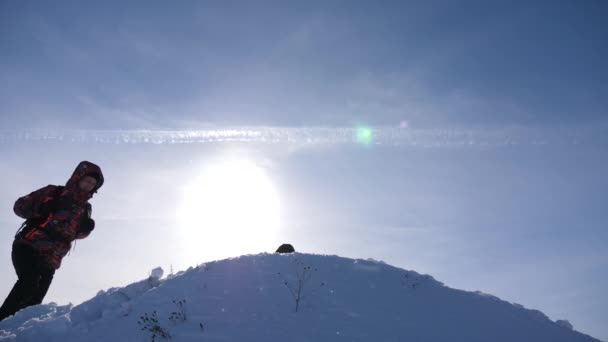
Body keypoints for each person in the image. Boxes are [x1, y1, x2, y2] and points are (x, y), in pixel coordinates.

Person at [0, 161, 104, 321]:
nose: (89, 185)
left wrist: (86, 230)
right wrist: (39, 210)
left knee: (34, 303)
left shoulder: (85, 209)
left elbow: (74, 234)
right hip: (29, 246)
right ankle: (2, 321)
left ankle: (18, 333)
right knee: (29, 283)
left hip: (51, 260)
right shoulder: (54, 192)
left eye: (93, 184)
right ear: (78, 177)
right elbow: (19, 206)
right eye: (87, 180)